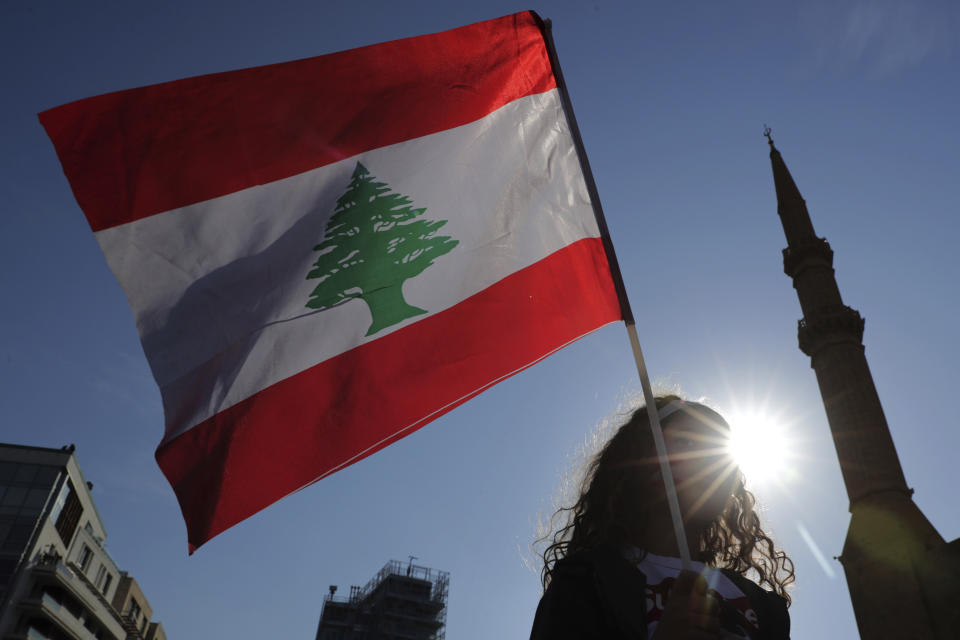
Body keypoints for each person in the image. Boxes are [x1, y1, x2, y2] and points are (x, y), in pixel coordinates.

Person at [530, 395, 794, 640]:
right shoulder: (586, 581)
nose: (712, 460)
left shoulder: (762, 605)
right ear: (641, 462)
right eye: (687, 443)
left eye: (722, 449)